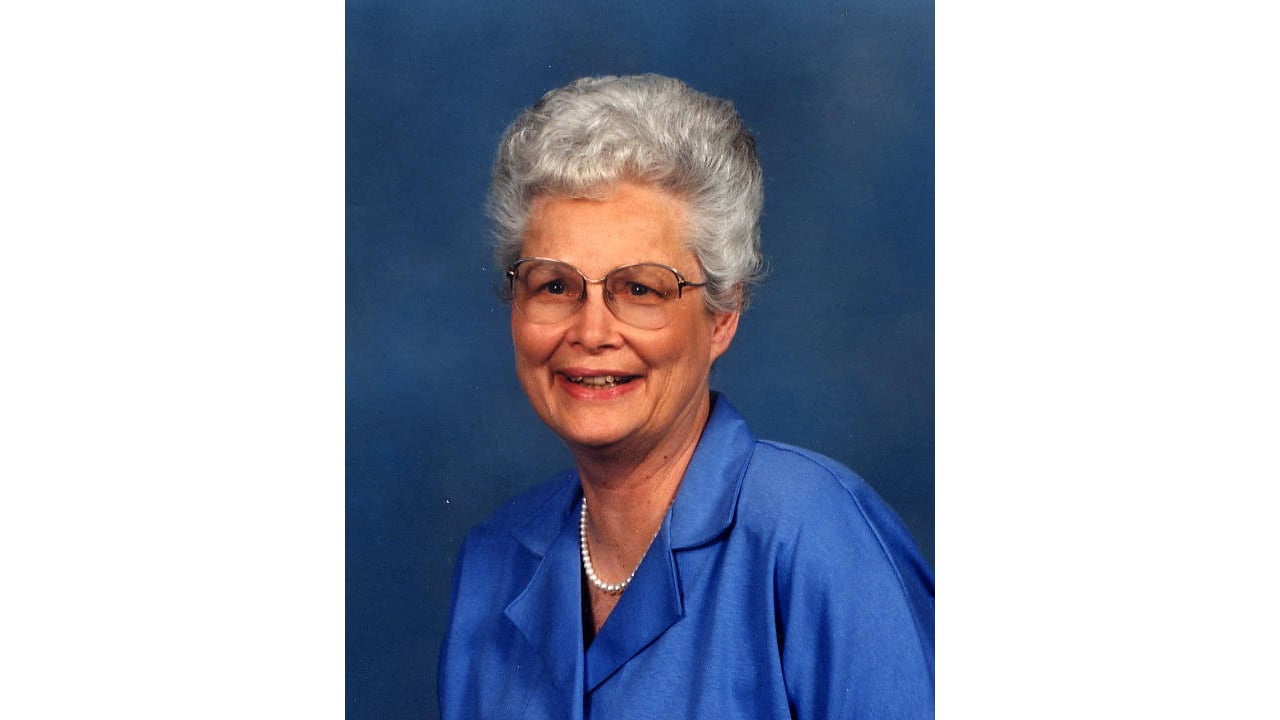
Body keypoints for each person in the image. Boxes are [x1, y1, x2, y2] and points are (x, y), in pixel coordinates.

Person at [438, 74, 933, 719]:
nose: (590, 332)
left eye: (641, 289)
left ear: (723, 316)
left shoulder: (814, 534)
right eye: (554, 286)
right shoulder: (494, 559)